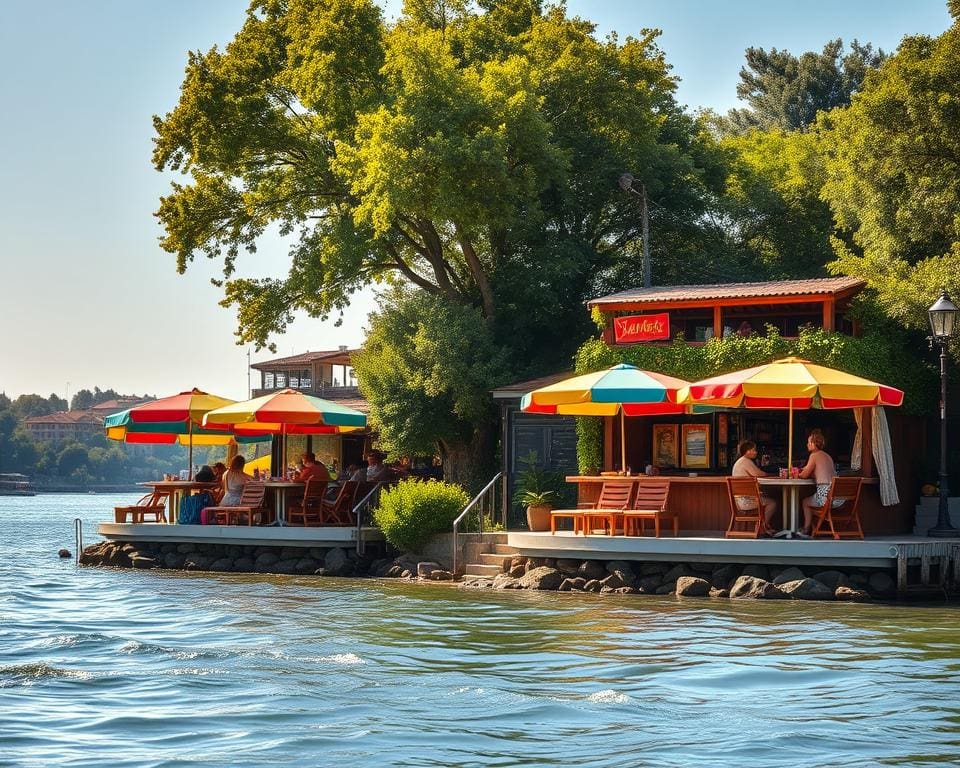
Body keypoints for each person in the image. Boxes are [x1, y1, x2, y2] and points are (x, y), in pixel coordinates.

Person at [731, 440, 777, 536]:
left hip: (740, 501)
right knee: (772, 503)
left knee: (765, 498)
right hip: (747, 501)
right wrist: (770, 474)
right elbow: (758, 474)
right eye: (754, 450)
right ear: (747, 451)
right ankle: (763, 527)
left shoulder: (740, 461)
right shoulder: (746, 461)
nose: (756, 452)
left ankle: (764, 526)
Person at [799, 429, 838, 538]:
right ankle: (810, 528)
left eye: (809, 442)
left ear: (814, 444)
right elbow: (819, 472)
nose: (807, 445)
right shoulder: (827, 456)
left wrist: (796, 472)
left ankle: (806, 529)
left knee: (805, 502)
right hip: (838, 497)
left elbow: (804, 475)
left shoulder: (814, 455)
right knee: (809, 501)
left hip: (825, 496)